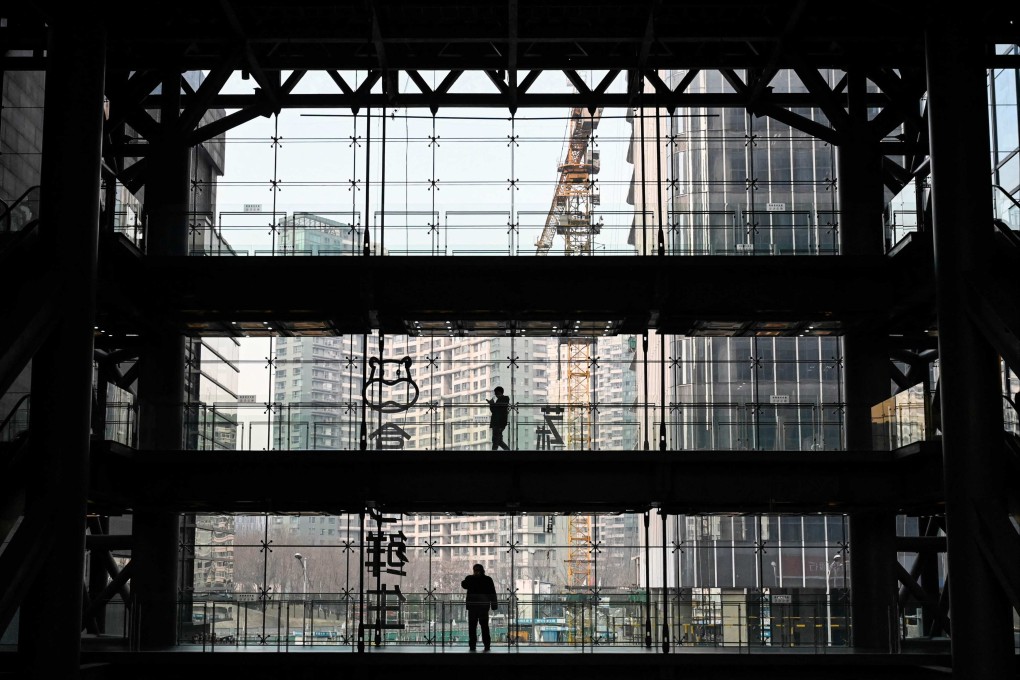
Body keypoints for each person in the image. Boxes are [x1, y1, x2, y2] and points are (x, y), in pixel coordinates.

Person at [461, 563, 498, 651]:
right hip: (484, 606)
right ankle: (487, 645)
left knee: (472, 627)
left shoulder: (470, 579)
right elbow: (492, 592)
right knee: (484, 626)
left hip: (473, 606)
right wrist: (494, 605)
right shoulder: (488, 579)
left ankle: (472, 645)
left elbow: (464, 585)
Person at [486, 386, 511, 450]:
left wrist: (492, 404)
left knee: (495, 440)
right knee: (498, 440)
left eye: (496, 393)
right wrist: (492, 404)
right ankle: (508, 451)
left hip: (498, 423)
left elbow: (495, 410)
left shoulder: (505, 398)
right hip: (499, 423)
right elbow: (495, 410)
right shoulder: (503, 399)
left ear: (499, 392)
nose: (495, 395)